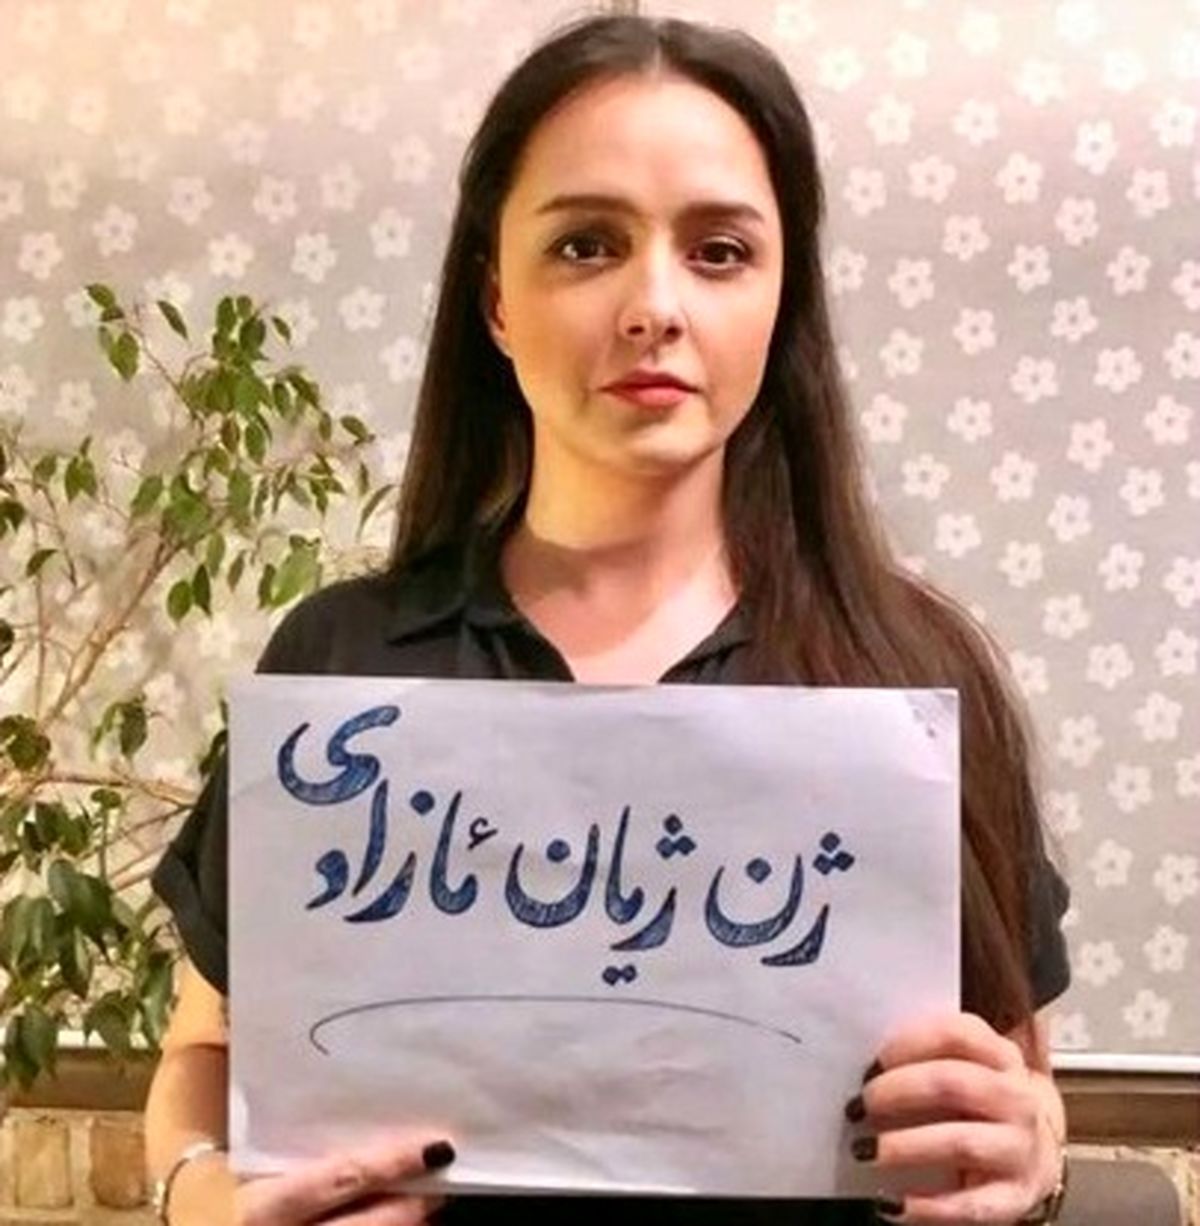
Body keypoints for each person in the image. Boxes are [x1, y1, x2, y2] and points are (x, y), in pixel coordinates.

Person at [144, 12, 1073, 1226]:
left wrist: (1034, 1151)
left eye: (721, 251)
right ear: (495, 302)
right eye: (587, 245)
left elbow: (1027, 1085)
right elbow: (198, 1059)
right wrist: (201, 1200)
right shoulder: (345, 664)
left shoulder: (912, 675)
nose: (654, 306)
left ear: (782, 295)